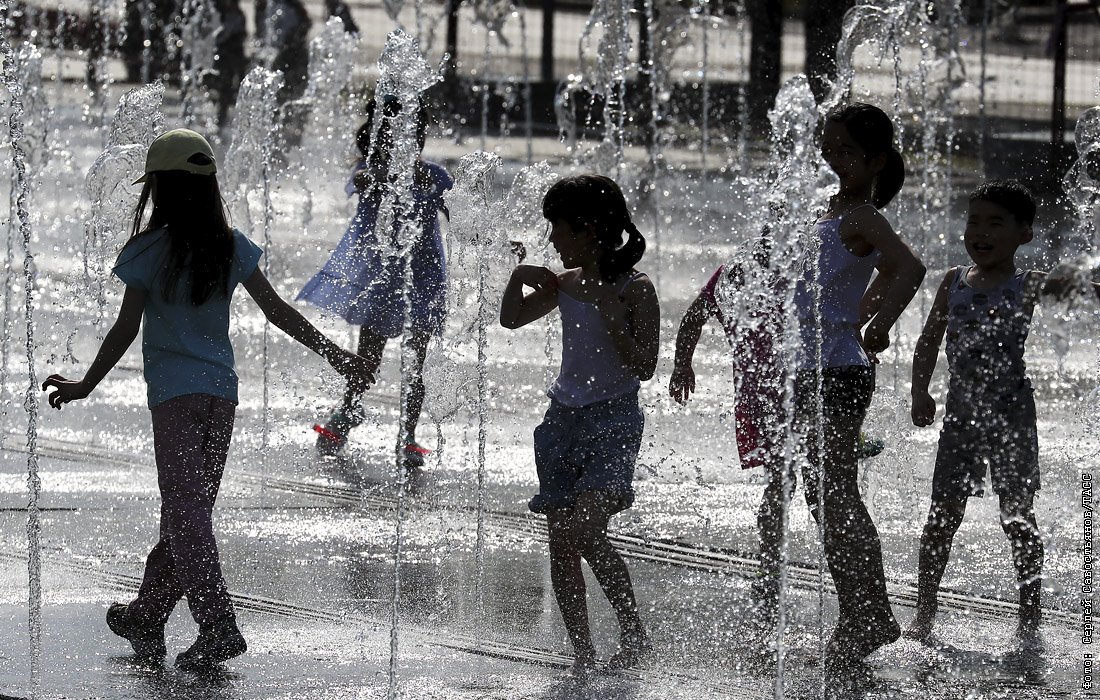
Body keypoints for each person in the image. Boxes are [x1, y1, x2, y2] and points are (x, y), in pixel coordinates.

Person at [41, 129, 372, 669]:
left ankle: (218, 625)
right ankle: (147, 613)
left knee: (186, 512)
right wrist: (335, 354)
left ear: (161, 190)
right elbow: (278, 311)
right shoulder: (231, 245)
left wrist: (85, 385)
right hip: (222, 397)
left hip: (174, 398)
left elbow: (126, 327)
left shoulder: (148, 250)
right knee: (188, 513)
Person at [906, 179, 1100, 646]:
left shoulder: (1026, 284)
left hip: (1013, 416)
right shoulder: (952, 281)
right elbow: (929, 340)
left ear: (1024, 234)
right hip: (960, 417)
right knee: (941, 515)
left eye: (996, 223)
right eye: (974, 221)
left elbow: (1083, 286)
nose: (981, 232)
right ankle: (925, 607)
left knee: (1017, 515)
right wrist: (919, 393)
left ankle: (1029, 611)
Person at [499, 174, 659, 677]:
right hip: (561, 422)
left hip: (612, 420)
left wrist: (613, 318)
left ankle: (633, 630)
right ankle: (582, 653)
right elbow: (512, 319)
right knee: (561, 543)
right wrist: (516, 278)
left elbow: (646, 365)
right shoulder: (565, 283)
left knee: (587, 531)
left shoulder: (636, 290)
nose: (552, 239)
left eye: (559, 229)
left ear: (589, 231)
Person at [793, 103, 925, 668]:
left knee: (835, 491)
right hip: (815, 366)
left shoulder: (864, 216)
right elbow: (855, 279)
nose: (832, 156)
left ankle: (865, 615)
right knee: (825, 492)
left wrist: (879, 323)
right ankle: (865, 611)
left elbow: (911, 269)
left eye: (845, 149)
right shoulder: (834, 210)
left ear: (874, 160)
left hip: (839, 370)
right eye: (829, 145)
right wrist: (866, 305)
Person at [300, 97, 452, 467]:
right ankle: (349, 410)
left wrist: (494, 240)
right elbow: (363, 183)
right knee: (366, 361)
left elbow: (461, 216)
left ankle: (409, 434)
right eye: (391, 135)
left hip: (425, 278)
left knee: (416, 364)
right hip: (383, 282)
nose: (403, 143)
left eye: (412, 135)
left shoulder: (434, 176)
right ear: (376, 138)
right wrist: (384, 175)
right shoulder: (366, 173)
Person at [668, 240, 790, 628]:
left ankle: (770, 571)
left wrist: (682, 366)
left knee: (780, 482)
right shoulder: (798, 270)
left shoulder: (734, 269)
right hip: (792, 389)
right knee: (814, 483)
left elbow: (693, 316)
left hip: (758, 393)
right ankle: (781, 570)